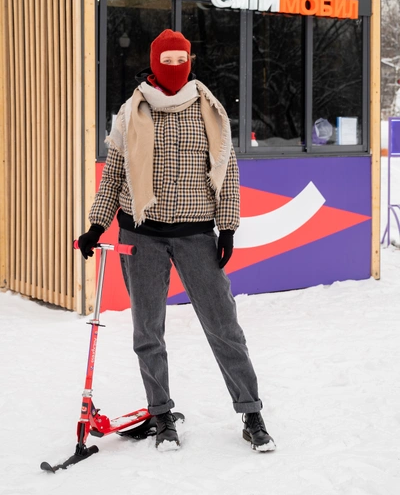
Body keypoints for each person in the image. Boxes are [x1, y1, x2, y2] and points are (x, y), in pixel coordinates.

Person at [78, 29, 275, 453]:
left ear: (190, 62)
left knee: (224, 326)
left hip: (196, 234)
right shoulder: (130, 111)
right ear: (152, 62)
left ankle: (251, 411)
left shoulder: (208, 108)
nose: (173, 69)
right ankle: (160, 413)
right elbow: (113, 176)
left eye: (180, 60)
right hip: (141, 233)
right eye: (165, 61)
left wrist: (228, 228)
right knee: (148, 331)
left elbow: (228, 172)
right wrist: (97, 225)